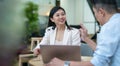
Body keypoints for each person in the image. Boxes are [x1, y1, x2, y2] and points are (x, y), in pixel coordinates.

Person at [45, 0, 120, 66]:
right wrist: (86, 38)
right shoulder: (116, 22)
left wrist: (64, 64)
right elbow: (104, 52)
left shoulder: (109, 27)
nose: (95, 16)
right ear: (52, 19)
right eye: (57, 15)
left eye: (94, 12)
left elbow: (98, 62)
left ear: (101, 12)